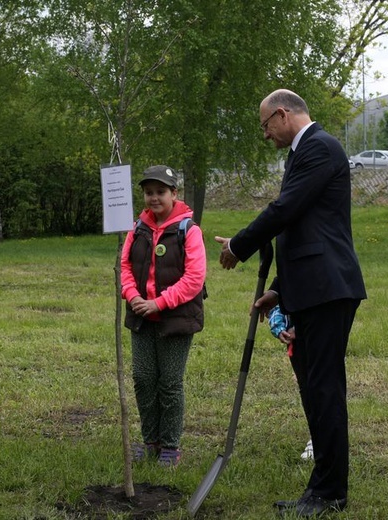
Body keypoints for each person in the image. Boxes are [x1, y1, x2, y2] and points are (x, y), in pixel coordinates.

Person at [215, 89, 366, 517]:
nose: (265, 135)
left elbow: (285, 210)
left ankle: (330, 494)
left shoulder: (320, 147)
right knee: (314, 390)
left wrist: (240, 246)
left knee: (324, 390)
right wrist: (280, 289)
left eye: (265, 126)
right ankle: (321, 489)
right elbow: (305, 229)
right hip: (310, 287)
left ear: (282, 114)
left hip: (328, 289)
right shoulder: (302, 154)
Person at [121, 165, 206, 467]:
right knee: (143, 379)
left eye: (160, 192)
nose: (154, 198)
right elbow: (126, 267)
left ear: (174, 194)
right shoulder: (137, 229)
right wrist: (132, 297)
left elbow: (195, 278)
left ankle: (170, 446)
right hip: (141, 317)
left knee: (169, 382)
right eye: (148, 192)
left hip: (175, 319)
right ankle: (150, 440)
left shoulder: (189, 230)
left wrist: (159, 303)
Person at [268, 305, 313, 461]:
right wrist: (279, 327)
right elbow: (281, 302)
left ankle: (325, 439)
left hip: (322, 326)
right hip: (297, 338)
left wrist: (300, 328)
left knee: (324, 385)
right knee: (306, 386)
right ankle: (317, 436)